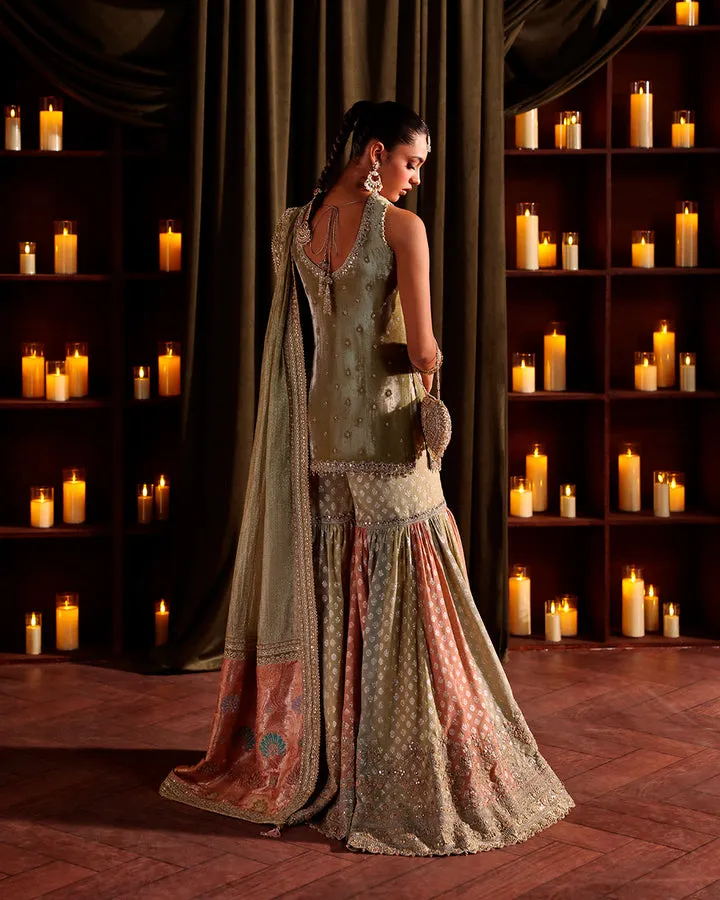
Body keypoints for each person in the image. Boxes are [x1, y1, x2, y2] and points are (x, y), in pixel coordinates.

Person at [160, 100, 573, 856]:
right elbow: (422, 349)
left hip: (319, 432)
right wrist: (433, 369)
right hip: (386, 431)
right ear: (376, 152)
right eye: (412, 162)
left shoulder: (297, 225)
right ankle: (402, 760)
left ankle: (330, 758)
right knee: (408, 587)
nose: (415, 178)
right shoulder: (400, 229)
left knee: (340, 586)